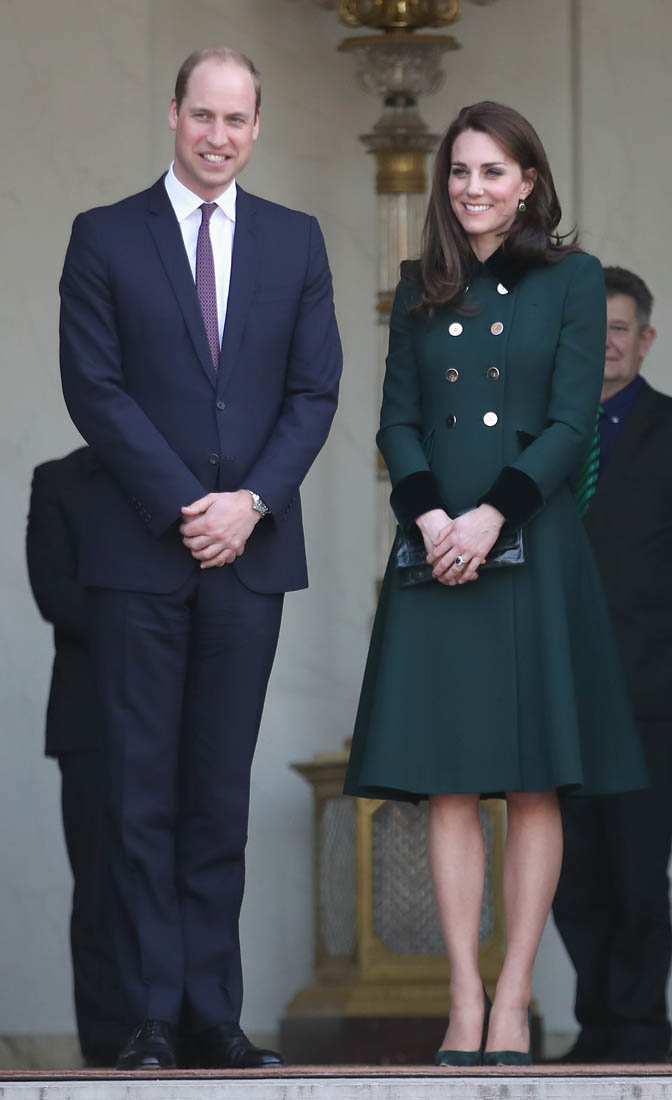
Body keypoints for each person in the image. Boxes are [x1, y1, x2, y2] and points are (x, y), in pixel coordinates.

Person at [344, 102, 646, 1067]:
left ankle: (513, 996)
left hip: (529, 541)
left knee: (530, 780)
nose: (472, 188)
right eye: (460, 171)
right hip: (435, 550)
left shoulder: (571, 278)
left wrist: (490, 517)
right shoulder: (419, 283)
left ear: (527, 184)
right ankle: (462, 999)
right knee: (447, 784)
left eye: (492, 171)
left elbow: (568, 420)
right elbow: (396, 422)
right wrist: (433, 520)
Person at [58, 46, 342, 1071]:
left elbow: (313, 391)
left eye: (236, 120)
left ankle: (213, 1015)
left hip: (248, 559)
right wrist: (190, 505)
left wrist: (250, 503)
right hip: (141, 555)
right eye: (203, 116)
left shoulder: (294, 239)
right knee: (141, 794)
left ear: (256, 128)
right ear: (173, 114)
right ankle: (149, 1016)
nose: (218, 136)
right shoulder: (103, 236)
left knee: (218, 795)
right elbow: (93, 387)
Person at [551, 267, 672, 1065]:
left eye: (619, 328)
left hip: (648, 684)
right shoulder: (543, 433)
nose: (605, 343)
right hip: (559, 688)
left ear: (645, 340)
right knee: (570, 873)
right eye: (591, 329)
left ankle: (636, 1034)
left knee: (636, 869)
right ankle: (596, 1028)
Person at [26, 446, 129, 1067]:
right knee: (99, 886)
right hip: (89, 713)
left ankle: (184, 1027)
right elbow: (55, 596)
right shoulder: (58, 480)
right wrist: (148, 612)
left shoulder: (191, 471)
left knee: (186, 872)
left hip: (180, 708)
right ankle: (107, 1048)